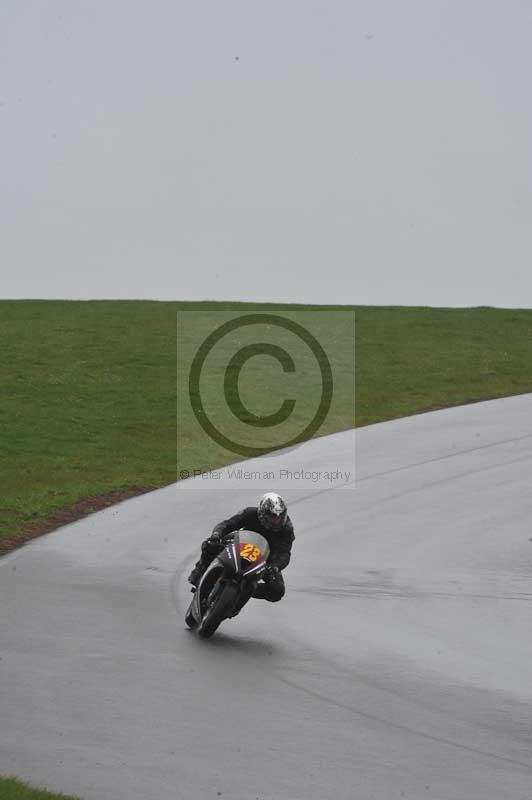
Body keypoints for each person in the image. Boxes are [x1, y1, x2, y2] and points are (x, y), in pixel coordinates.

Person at [188, 492, 294, 602]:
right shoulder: (250, 513)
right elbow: (227, 524)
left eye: (279, 517)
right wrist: (216, 535)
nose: (276, 521)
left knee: (277, 591)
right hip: (239, 545)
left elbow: (285, 553)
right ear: (263, 512)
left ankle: (247, 590)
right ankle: (199, 571)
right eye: (272, 517)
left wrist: (275, 567)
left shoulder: (287, 529)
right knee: (209, 544)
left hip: (264, 561)